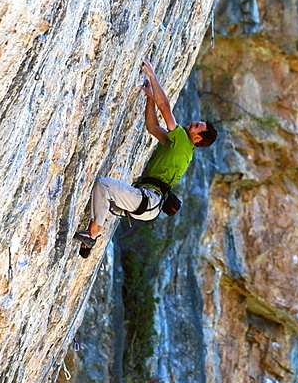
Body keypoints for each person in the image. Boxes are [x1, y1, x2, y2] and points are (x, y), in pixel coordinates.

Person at [74, 57, 218, 257]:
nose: (192, 122)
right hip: (148, 206)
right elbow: (152, 126)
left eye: (196, 126)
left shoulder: (184, 141)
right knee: (104, 195)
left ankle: (91, 235)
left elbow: (165, 108)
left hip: (148, 199)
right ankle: (87, 243)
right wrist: (150, 98)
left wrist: (152, 75)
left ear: (197, 138)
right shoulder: (182, 148)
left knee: (103, 185)